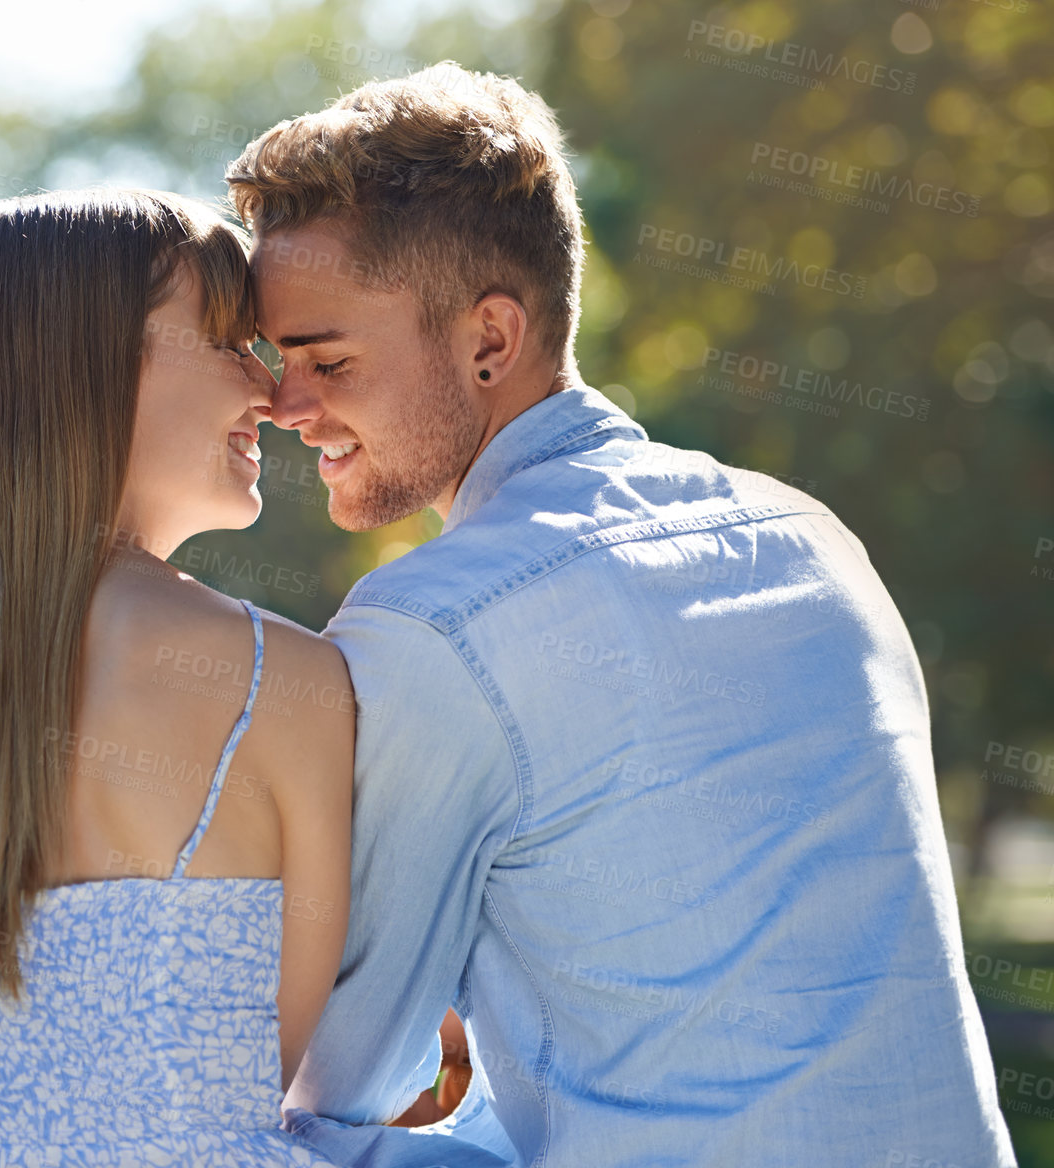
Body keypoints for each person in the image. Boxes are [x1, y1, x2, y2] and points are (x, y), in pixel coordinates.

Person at [224, 64, 1016, 1166]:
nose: (282, 406)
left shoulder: (431, 627)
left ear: (488, 341)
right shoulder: (814, 540)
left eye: (325, 358)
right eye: (274, 364)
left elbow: (336, 1073)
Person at [0, 188, 496, 1167]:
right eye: (226, 341)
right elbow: (282, 1071)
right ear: (87, 365)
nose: (269, 388)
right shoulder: (283, 678)